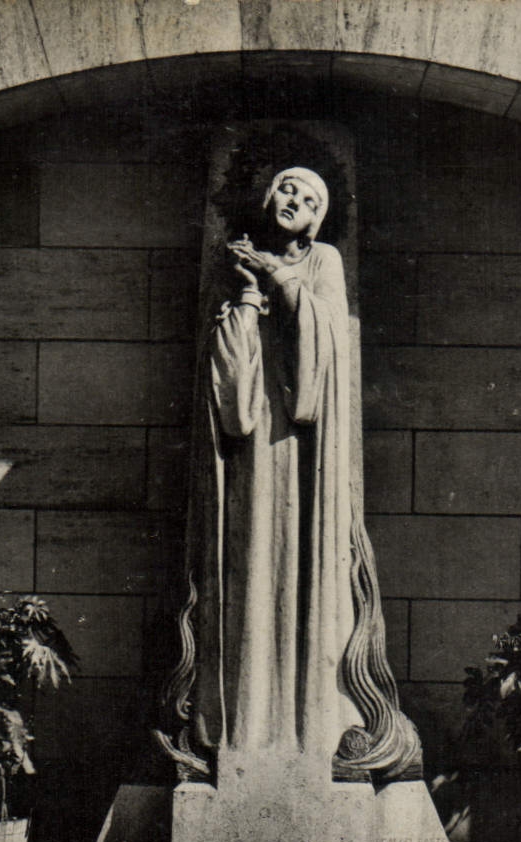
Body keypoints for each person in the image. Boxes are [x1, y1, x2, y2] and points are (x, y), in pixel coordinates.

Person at [155, 167, 421, 784]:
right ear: (266, 197)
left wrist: (279, 279)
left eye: (309, 197)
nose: (294, 201)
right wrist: (248, 297)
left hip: (307, 456)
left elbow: (326, 352)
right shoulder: (237, 265)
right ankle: (238, 727)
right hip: (248, 459)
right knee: (247, 572)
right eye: (286, 189)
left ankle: (313, 731)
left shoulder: (323, 261)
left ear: (319, 219)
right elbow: (227, 394)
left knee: (307, 579)